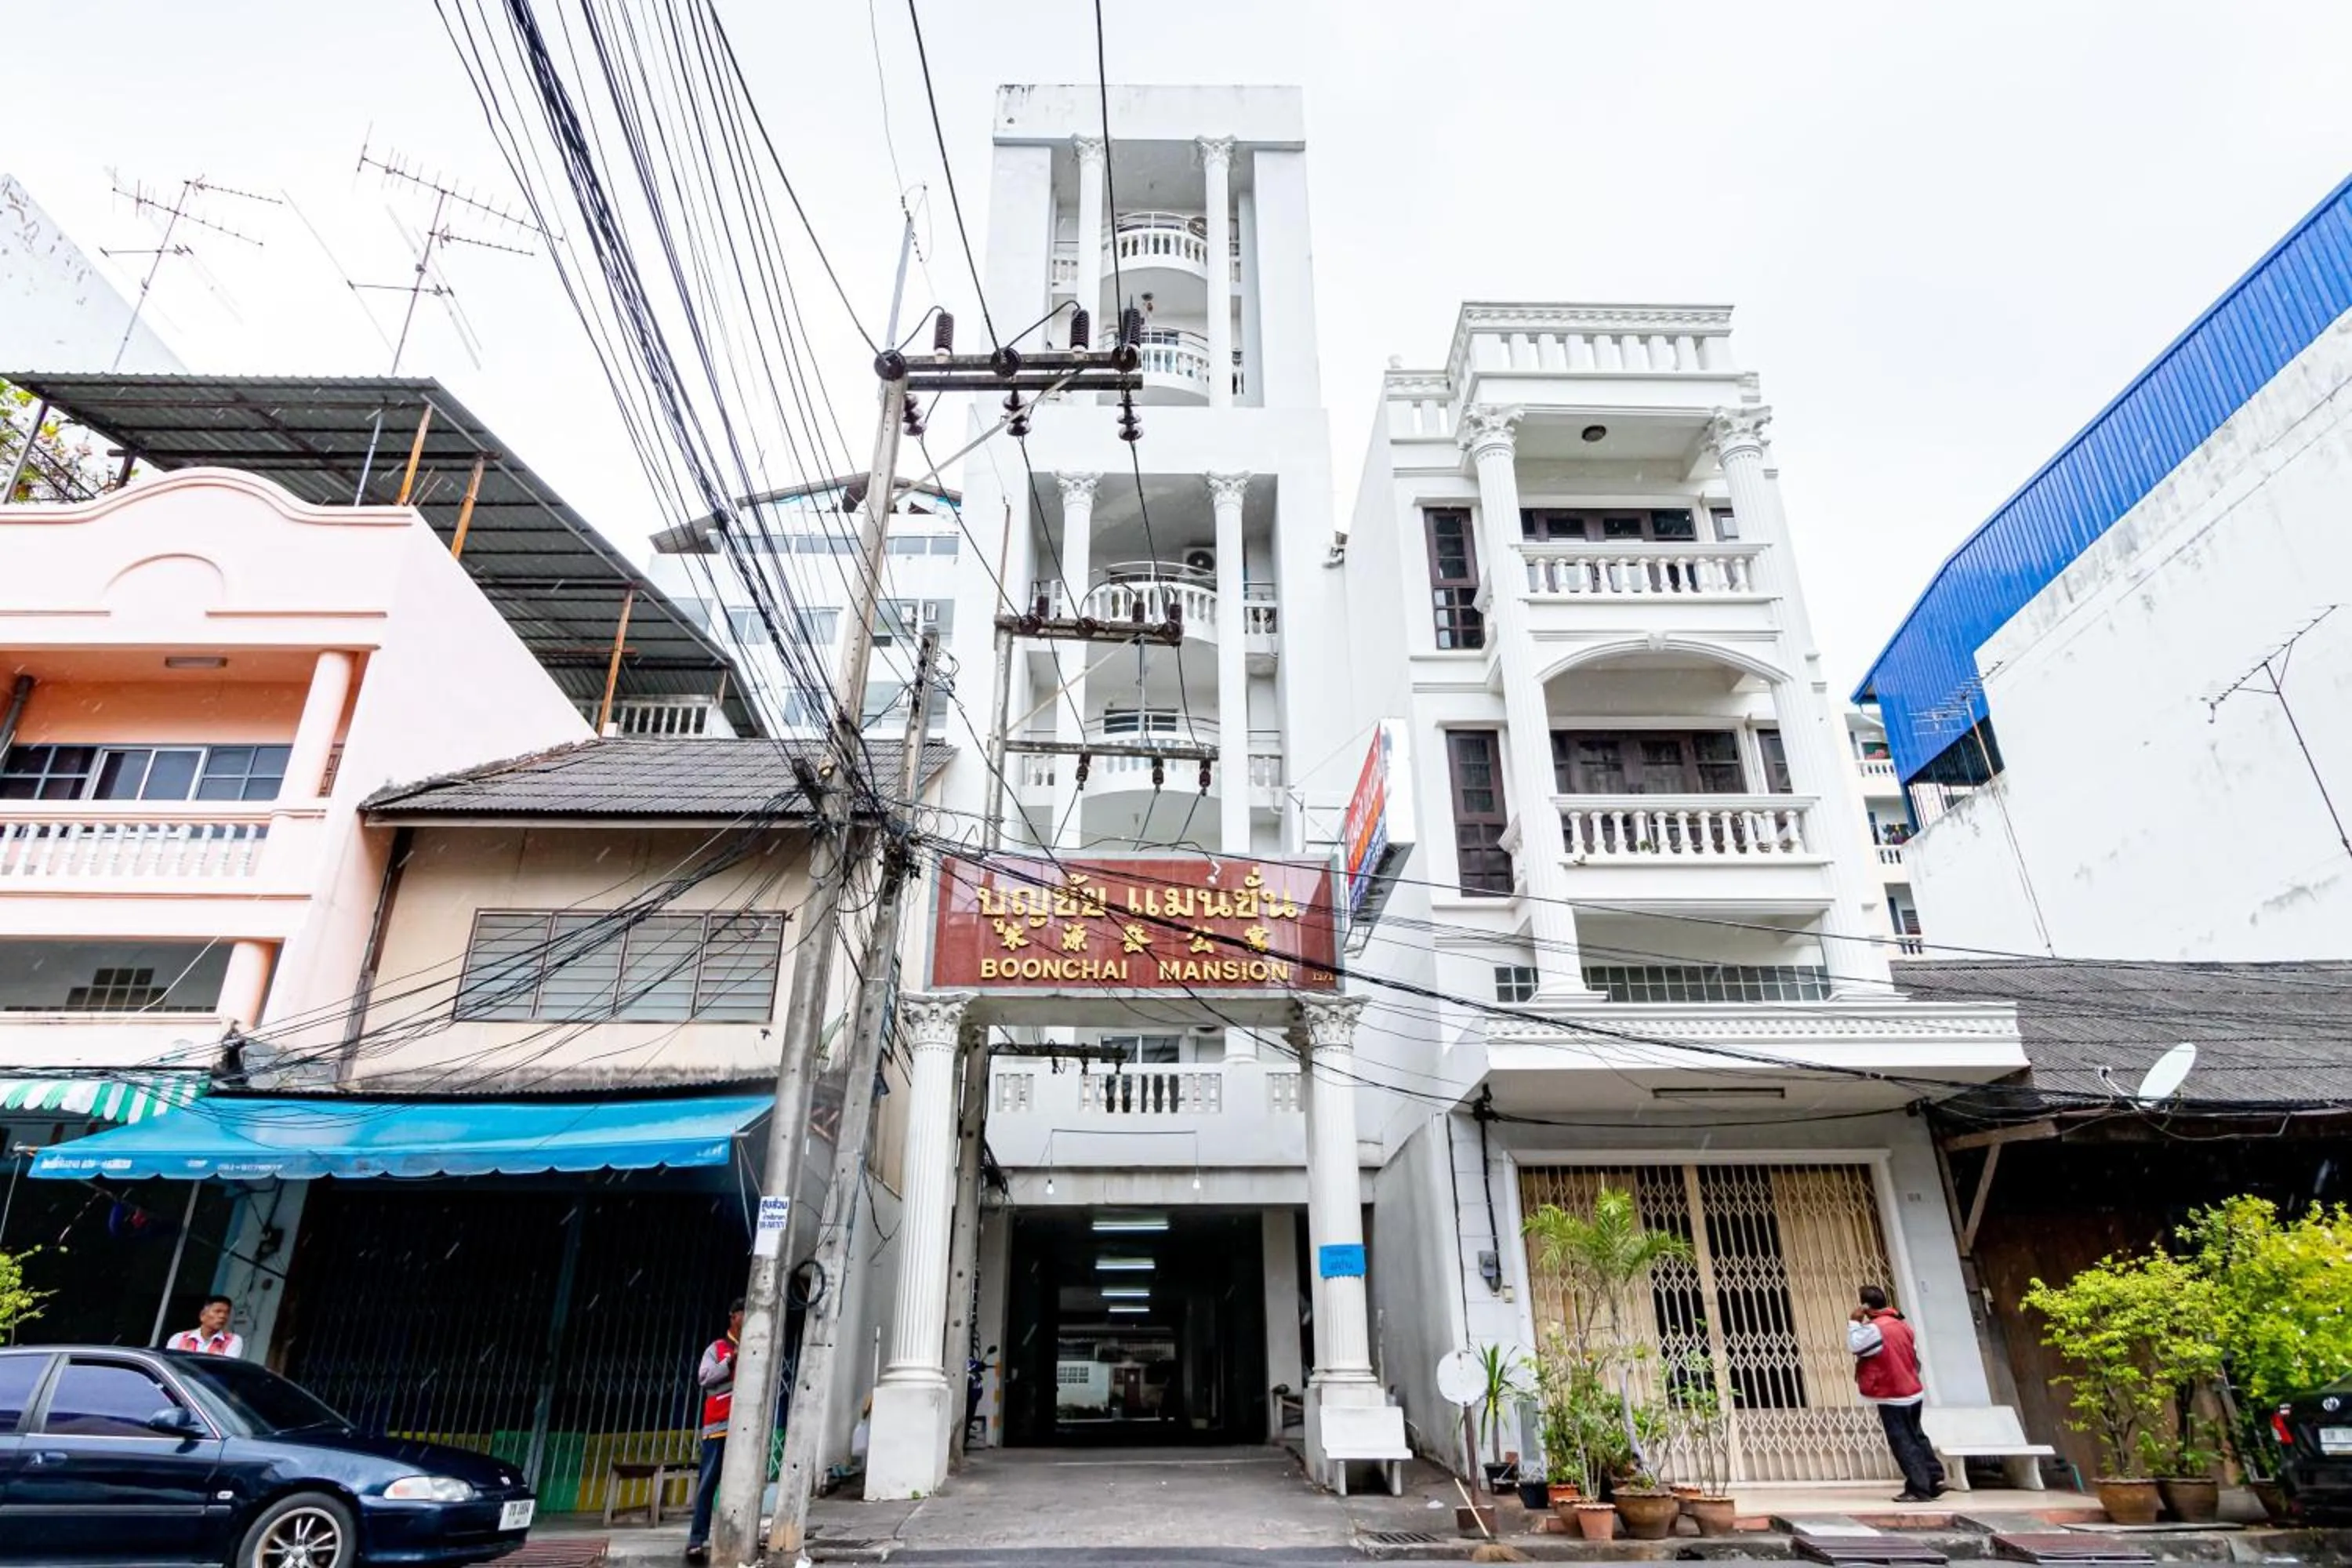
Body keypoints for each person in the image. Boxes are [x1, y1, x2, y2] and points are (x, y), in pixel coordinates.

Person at [1850, 1284, 1946, 1502]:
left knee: (1902, 1440)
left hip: (1893, 1392)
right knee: (1917, 1435)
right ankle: (1934, 1478)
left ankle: (1918, 1489)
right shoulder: (1901, 1324)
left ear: (1866, 1306)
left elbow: (1855, 1345)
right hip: (1912, 1390)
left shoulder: (1876, 1329)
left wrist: (1854, 1322)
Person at [684, 1299, 742, 1564]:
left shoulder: (755, 1348)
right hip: (717, 1427)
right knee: (708, 1484)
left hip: (743, 1430)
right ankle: (696, 1540)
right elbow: (704, 1378)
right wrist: (728, 1363)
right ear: (733, 1317)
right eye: (743, 1314)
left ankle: (737, 1537)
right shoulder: (717, 1349)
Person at [165, 1295, 245, 1358]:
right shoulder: (179, 1338)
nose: (223, 1316)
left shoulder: (233, 1341)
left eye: (227, 1313)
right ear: (202, 1315)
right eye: (218, 1311)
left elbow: (226, 1368)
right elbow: (170, 1365)